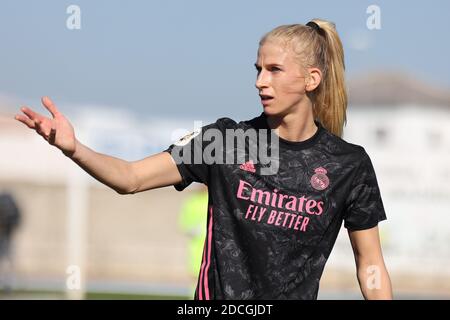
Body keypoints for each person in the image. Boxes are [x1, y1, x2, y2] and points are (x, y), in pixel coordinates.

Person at [14, 18, 393, 300]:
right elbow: (129, 178)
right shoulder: (224, 140)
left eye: (274, 70)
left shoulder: (349, 164)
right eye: (258, 69)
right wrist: (74, 147)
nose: (261, 81)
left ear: (312, 79)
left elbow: (370, 262)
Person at [178, 184, 208, 297]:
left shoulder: (215, 200)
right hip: (197, 249)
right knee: (196, 280)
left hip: (214, 247)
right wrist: (198, 229)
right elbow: (184, 225)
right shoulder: (191, 202)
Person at [0, 191, 21, 293]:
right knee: (8, 261)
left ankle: (8, 285)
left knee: (8, 261)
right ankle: (7, 285)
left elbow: (17, 221)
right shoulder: (11, 208)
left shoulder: (12, 210)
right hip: (5, 238)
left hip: (8, 237)